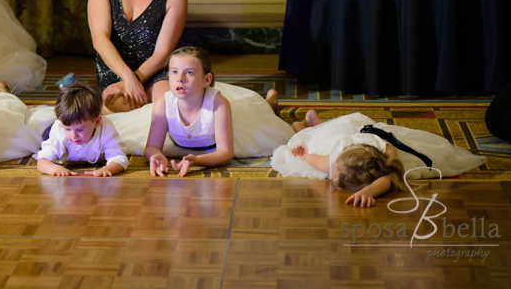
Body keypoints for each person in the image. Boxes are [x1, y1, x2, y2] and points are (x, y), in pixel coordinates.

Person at [271, 111, 487, 207]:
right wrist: (303, 153)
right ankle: (303, 125)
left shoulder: (386, 156)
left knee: (337, 126)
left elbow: (391, 176)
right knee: (299, 140)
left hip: (359, 133)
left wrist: (368, 192)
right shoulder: (332, 157)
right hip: (339, 134)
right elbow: (311, 158)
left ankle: (314, 122)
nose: (331, 175)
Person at [143, 46, 290, 177]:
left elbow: (225, 153)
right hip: (182, 141)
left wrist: (198, 160)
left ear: (207, 80)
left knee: (254, 112)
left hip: (227, 133)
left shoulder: (218, 104)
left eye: (189, 72)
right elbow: (152, 146)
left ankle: (269, 102)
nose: (180, 79)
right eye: (174, 72)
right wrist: (155, 155)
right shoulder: (163, 103)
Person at [35, 83, 128, 177]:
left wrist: (107, 169)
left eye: (80, 130)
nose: (73, 135)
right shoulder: (60, 131)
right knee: (40, 137)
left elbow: (119, 159)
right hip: (49, 131)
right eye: (68, 129)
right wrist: (55, 169)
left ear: (96, 122)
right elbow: (42, 161)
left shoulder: (106, 129)